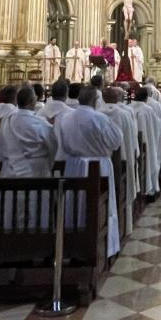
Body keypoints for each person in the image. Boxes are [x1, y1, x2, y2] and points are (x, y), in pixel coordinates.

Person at [57, 85, 123, 255]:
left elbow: (63, 144)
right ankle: (101, 246)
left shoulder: (66, 118)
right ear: (95, 100)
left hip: (74, 166)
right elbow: (116, 141)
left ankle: (73, 244)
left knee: (74, 204)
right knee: (100, 206)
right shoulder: (100, 119)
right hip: (98, 166)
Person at [99, 86, 139, 233]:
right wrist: (134, 154)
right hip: (121, 162)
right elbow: (132, 139)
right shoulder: (125, 114)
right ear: (118, 99)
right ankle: (123, 225)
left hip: (97, 166)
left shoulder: (98, 113)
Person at [0, 84, 56, 176]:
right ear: (33, 101)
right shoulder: (41, 123)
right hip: (35, 173)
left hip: (11, 172)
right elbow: (53, 146)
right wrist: (49, 163)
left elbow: (1, 144)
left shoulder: (7, 120)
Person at [131, 85, 161, 198]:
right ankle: (150, 190)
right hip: (148, 142)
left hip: (134, 146)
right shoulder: (149, 109)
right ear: (147, 97)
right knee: (151, 159)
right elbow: (158, 125)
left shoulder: (129, 107)